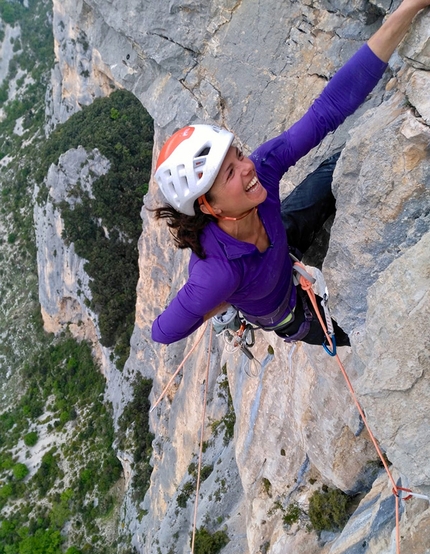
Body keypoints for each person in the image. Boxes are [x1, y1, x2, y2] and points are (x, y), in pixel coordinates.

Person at [151, 0, 430, 346]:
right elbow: (162, 332)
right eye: (229, 174)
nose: (247, 167)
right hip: (293, 312)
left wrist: (408, 10)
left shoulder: (261, 172)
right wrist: (219, 300)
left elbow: (327, 110)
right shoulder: (217, 274)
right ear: (210, 207)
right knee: (376, 336)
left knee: (344, 164)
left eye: (237, 155)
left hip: (279, 234)